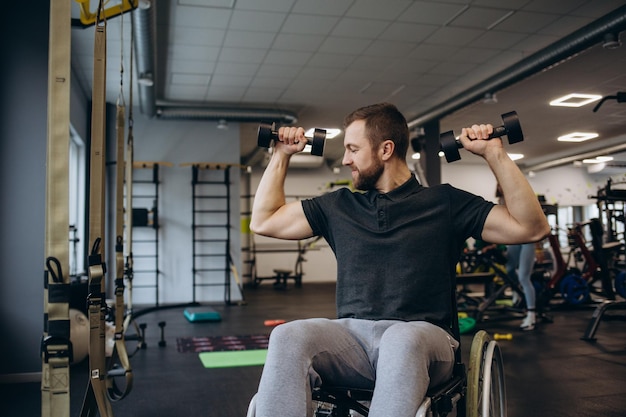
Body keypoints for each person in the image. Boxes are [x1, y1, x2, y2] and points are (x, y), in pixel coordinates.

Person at [249, 102, 550, 417]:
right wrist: (281, 154)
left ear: (385, 150)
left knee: (401, 338)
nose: (346, 159)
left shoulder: (445, 202)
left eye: (353, 149)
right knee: (287, 335)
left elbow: (532, 227)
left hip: (425, 341)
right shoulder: (338, 207)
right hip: (354, 343)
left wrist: (494, 153)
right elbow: (265, 221)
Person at [506, 243, 537, 330]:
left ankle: (531, 315)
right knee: (509, 269)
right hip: (515, 240)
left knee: (524, 277)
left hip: (527, 241)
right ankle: (516, 291)